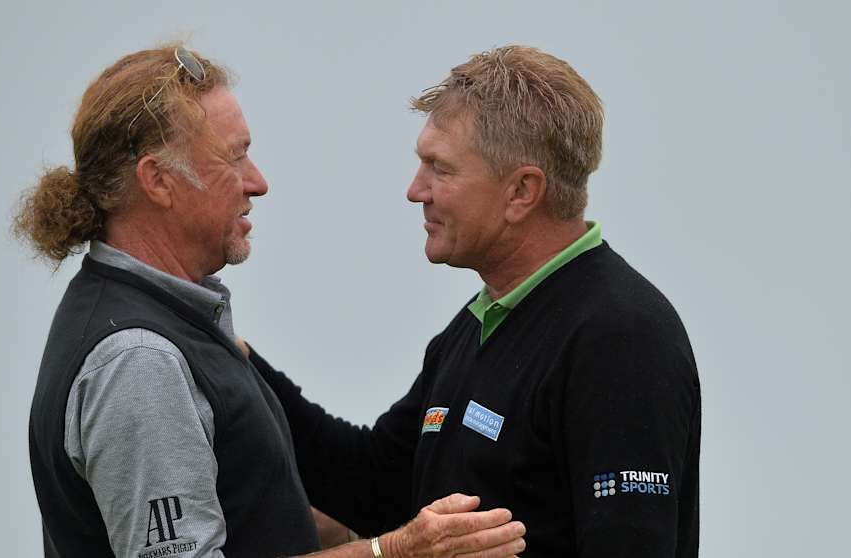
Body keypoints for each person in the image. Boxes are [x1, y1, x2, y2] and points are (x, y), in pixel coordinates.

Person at [15, 44, 526, 558]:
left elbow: (248, 517)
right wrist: (392, 552)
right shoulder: (139, 360)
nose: (256, 182)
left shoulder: (157, 325)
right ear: (158, 181)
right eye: (233, 157)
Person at [246, 45, 701, 558]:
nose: (416, 191)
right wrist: (234, 359)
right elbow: (373, 486)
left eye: (439, 168)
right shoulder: (482, 321)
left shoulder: (619, 337)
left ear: (521, 192)